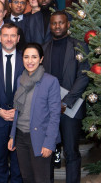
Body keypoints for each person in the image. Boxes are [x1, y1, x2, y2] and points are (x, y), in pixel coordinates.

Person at [43, 11, 90, 183]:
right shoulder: (44, 47)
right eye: (54, 23)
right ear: (50, 25)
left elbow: (84, 75)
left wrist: (66, 102)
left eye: (61, 23)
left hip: (70, 107)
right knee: (47, 150)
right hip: (49, 108)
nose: (57, 26)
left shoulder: (79, 46)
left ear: (67, 24)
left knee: (71, 151)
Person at [8, 42, 61, 183]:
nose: (30, 61)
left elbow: (55, 115)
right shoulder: (20, 79)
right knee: (26, 177)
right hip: (20, 136)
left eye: (34, 57)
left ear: (41, 59)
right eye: (26, 57)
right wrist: (12, 135)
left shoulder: (51, 81)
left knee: (41, 179)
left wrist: (49, 143)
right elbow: (17, 111)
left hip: (40, 137)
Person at [0, 23, 24, 183]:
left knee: (18, 162)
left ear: (18, 38)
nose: (9, 39)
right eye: (5, 35)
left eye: (12, 35)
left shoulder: (26, 59)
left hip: (20, 118)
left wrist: (18, 111)